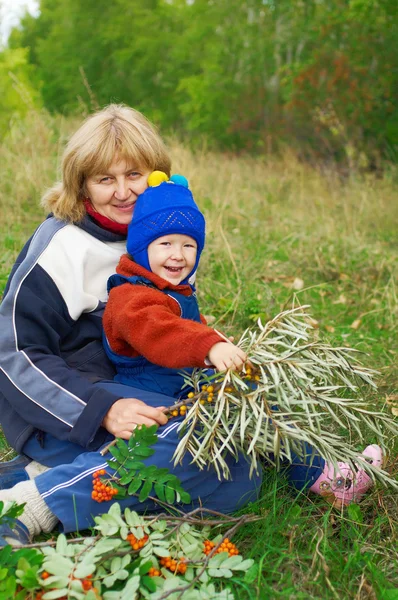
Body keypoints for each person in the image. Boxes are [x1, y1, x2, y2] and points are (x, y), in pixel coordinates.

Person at [0, 105, 382, 547]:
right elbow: (13, 355)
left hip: (143, 390)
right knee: (205, 442)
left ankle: (46, 475)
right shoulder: (60, 246)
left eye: (134, 175)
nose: (123, 192)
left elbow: (171, 323)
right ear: (81, 182)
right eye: (105, 179)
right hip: (65, 409)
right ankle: (37, 501)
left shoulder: (159, 234)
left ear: (157, 174)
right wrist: (101, 408)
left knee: (240, 477)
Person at [102, 170, 247, 399]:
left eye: (188, 246)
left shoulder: (179, 291)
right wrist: (209, 346)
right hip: (143, 392)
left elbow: (192, 327)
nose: (178, 255)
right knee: (183, 429)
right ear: (141, 249)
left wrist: (217, 344)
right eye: (166, 244)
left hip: (185, 384)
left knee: (249, 393)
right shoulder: (129, 297)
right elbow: (162, 331)